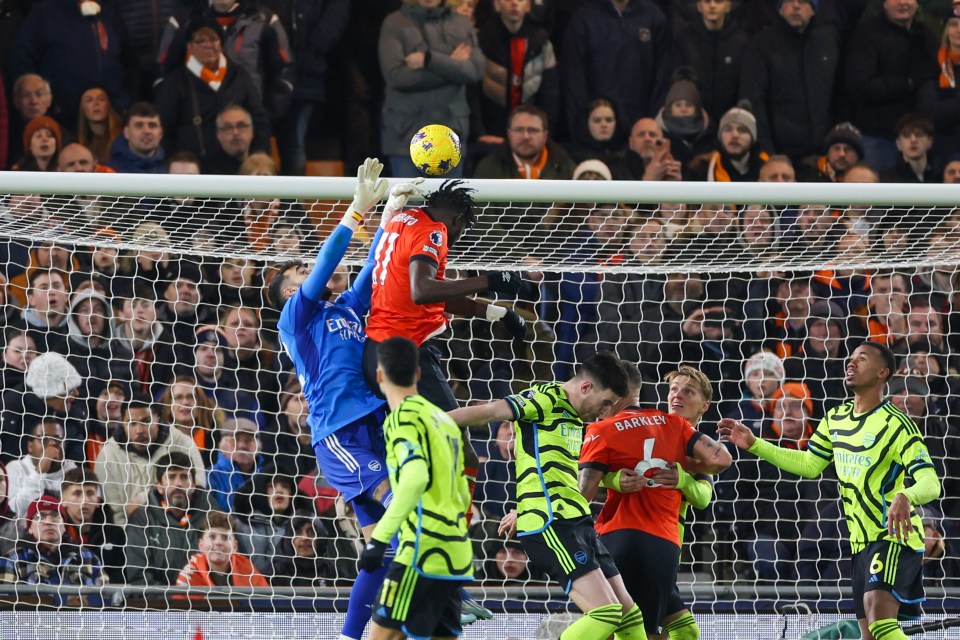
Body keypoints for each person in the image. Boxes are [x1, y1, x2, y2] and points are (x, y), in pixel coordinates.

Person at [267, 159, 411, 639]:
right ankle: (446, 589)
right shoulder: (297, 318)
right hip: (339, 435)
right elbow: (327, 263)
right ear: (288, 293)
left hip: (371, 423)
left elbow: (372, 269)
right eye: (297, 276)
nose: (307, 276)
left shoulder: (345, 309)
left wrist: (390, 214)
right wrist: (355, 211)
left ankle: (351, 637)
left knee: (382, 548)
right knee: (404, 501)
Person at [719, 341, 941, 640]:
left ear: (882, 373)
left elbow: (931, 481)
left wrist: (906, 495)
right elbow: (810, 464)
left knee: (880, 623)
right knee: (869, 635)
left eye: (862, 359)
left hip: (892, 537)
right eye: (850, 359)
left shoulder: (898, 425)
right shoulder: (835, 418)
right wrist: (756, 445)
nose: (851, 364)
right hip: (860, 543)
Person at [449, 352, 649, 640]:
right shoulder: (543, 399)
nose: (606, 411)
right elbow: (491, 412)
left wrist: (614, 479)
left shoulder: (578, 418)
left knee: (630, 616)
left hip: (578, 521)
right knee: (606, 613)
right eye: (606, 402)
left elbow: (563, 471)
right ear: (586, 387)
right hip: (551, 523)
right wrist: (431, 422)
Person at [578, 363, 732, 638]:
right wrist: (613, 480)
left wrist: (683, 476)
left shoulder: (688, 442)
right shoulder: (664, 426)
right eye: (673, 389)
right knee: (638, 631)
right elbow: (611, 470)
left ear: (704, 405)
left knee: (683, 631)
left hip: (665, 543)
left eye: (688, 391)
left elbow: (704, 497)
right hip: (651, 541)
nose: (677, 396)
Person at [358, 336, 474, 640]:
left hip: (421, 552)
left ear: (378, 375)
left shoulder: (401, 419)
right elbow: (463, 493)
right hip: (456, 552)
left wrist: (379, 540)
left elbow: (415, 478)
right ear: (419, 373)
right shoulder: (443, 420)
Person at [378, 0, 483, 177]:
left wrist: (429, 60)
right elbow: (396, 76)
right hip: (406, 135)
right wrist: (452, 66)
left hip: (450, 134)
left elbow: (474, 72)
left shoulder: (461, 22)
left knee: (448, 204)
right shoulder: (394, 22)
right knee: (411, 203)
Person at [844, 0, 937, 171]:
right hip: (877, 137)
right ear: (884, 4)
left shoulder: (925, 35)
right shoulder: (867, 34)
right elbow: (860, 88)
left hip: (918, 140)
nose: (902, 3)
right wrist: (907, 82)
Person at [94, 392, 205, 527]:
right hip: (132, 536)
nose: (139, 430)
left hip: (181, 528)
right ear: (122, 423)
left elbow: (199, 488)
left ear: (158, 418)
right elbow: (114, 514)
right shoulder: (107, 456)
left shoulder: (182, 443)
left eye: (146, 421)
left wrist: (144, 498)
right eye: (132, 423)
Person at [562, 0, 668, 136]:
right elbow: (574, 80)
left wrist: (653, 121)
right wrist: (582, 126)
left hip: (641, 123)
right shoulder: (584, 19)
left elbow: (661, 76)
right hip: (599, 126)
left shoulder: (653, 17)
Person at [124, 452, 212, 586]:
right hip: (159, 604)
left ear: (193, 485)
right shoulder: (142, 520)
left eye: (184, 477)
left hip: (207, 602)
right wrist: (172, 600)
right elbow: (139, 576)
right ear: (159, 486)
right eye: (171, 477)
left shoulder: (213, 517)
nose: (178, 484)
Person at [476, 0, 560, 139]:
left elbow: (550, 93)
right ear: (496, 5)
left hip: (531, 129)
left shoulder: (541, 43)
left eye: (520, 0)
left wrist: (546, 132)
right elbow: (472, 92)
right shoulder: (481, 41)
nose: (514, 3)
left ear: (529, 6)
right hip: (492, 129)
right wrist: (479, 133)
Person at [0, 496, 106, 606]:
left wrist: (88, 603)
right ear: (30, 528)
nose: (48, 521)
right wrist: (63, 603)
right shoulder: (13, 559)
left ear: (64, 525)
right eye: (40, 516)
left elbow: (106, 598)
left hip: (83, 621)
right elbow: (4, 605)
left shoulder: (87, 557)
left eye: (55, 515)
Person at [472, 103, 576, 179]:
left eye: (533, 130)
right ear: (509, 133)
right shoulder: (489, 168)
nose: (526, 136)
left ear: (545, 136)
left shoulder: (566, 168)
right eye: (519, 130)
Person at [59, 465, 125, 584]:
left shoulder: (115, 535)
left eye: (90, 493)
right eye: (77, 493)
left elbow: (119, 578)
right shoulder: (56, 534)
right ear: (63, 500)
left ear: (98, 500)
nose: (84, 500)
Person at [175, 510, 268, 591]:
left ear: (235, 546)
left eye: (225, 537)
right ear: (201, 545)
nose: (218, 542)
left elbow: (266, 605)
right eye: (212, 537)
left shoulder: (248, 569)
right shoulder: (189, 574)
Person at [7, 420, 77, 516]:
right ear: (30, 446)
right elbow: (12, 513)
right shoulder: (15, 469)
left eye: (58, 439)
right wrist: (38, 472)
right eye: (44, 438)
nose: (52, 443)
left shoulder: (73, 471)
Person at [693, 101, 769, 181]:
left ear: (752, 138)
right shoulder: (702, 170)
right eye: (728, 129)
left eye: (742, 130)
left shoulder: (770, 168)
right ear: (720, 136)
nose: (735, 135)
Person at [207, 417, 263, 512]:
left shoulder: (266, 477)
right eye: (235, 440)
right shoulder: (210, 476)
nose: (242, 446)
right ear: (222, 446)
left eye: (249, 440)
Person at [108, 102, 166, 174]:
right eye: (139, 125)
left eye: (152, 125)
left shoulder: (171, 171)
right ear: (126, 133)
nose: (146, 131)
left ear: (160, 133)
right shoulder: (109, 172)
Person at [880, 114, 936, 183]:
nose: (913, 140)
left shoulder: (940, 177)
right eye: (906, 135)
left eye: (919, 134)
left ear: (930, 142)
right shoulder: (885, 180)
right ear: (898, 144)